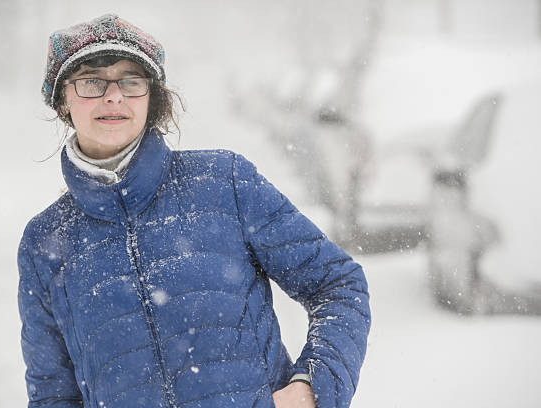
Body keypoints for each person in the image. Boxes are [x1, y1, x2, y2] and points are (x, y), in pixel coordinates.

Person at [18, 14, 370, 408]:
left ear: (152, 98)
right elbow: (54, 393)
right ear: (63, 101)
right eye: (91, 81)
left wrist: (312, 388)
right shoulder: (46, 242)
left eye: (131, 80)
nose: (113, 96)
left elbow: (339, 285)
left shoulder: (224, 182)